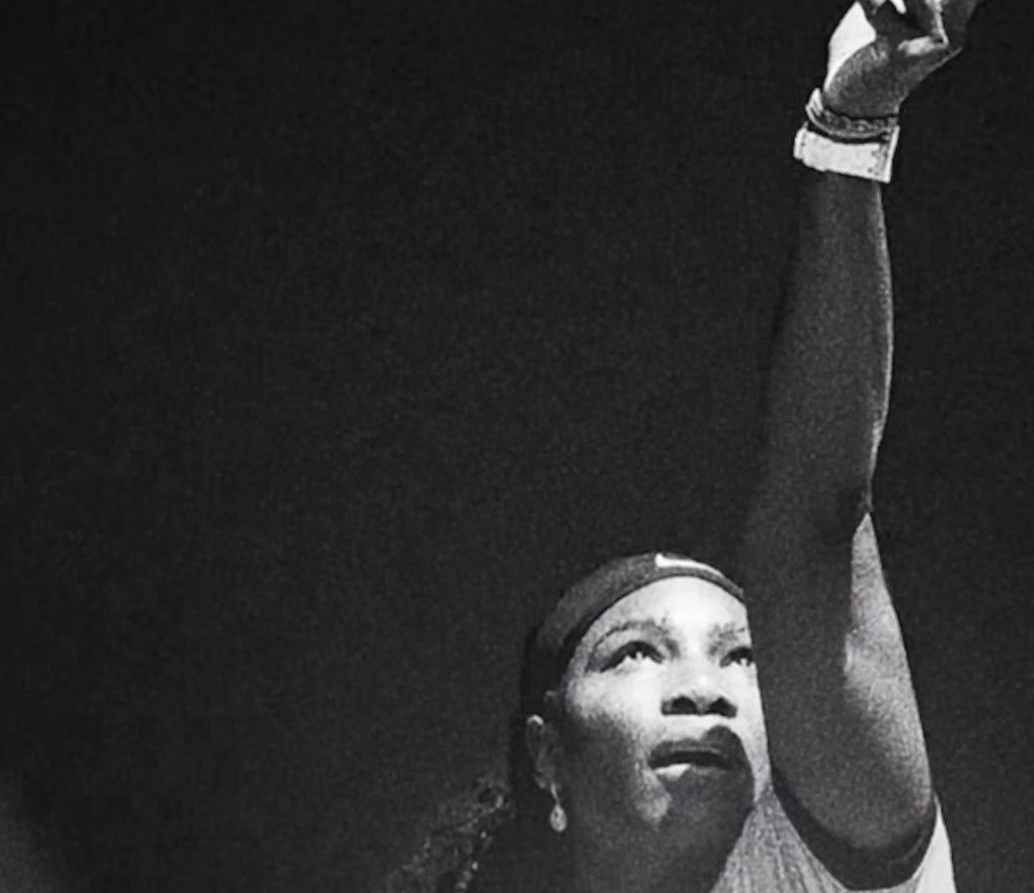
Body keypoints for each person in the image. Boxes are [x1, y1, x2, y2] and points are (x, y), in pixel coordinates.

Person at [384, 0, 983, 889]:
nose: (704, 688)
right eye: (635, 652)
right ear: (547, 755)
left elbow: (817, 520)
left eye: (744, 655)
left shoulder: (823, 872)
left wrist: (851, 130)